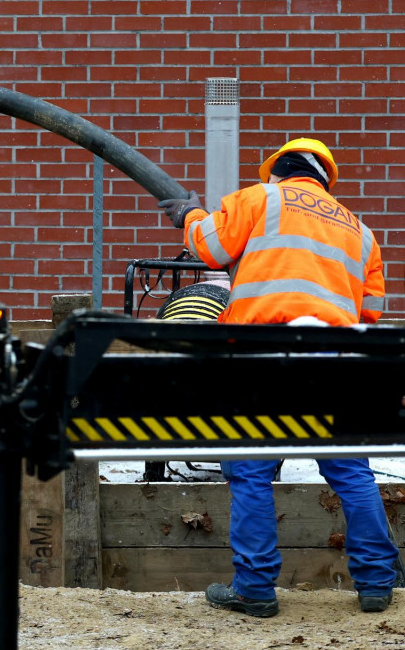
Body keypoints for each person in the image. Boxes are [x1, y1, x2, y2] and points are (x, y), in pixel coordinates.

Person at [159, 138, 403, 617]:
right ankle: (376, 584)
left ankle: (255, 590)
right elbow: (369, 313)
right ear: (324, 179)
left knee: (250, 471)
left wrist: (188, 215)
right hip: (333, 357)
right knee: (352, 473)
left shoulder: (259, 198)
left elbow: (209, 249)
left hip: (261, 354)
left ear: (277, 172)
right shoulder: (359, 229)